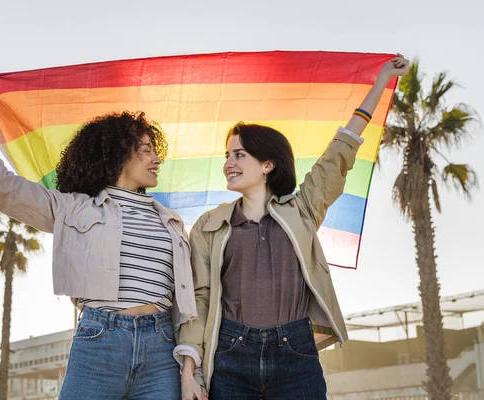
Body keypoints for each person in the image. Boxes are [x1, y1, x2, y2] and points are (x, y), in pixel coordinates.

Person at [0, 69, 198, 400]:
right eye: (147, 150)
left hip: (161, 348)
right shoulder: (74, 208)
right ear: (120, 154)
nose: (157, 158)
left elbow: (192, 302)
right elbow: (3, 187)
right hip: (100, 341)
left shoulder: (171, 223)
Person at [175, 54, 410, 400]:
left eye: (239, 155)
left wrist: (381, 82)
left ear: (268, 164)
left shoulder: (303, 209)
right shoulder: (209, 226)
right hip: (230, 355)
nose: (228, 164)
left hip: (295, 354)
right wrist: (189, 371)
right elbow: (200, 298)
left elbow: (340, 152)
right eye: (227, 156)